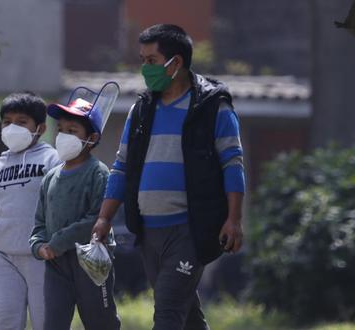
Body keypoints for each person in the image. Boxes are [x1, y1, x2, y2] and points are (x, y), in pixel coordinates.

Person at [92, 24, 246, 330]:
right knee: (186, 313)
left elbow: (233, 163)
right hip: (149, 231)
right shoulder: (142, 110)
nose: (145, 68)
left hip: (191, 229)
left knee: (167, 310)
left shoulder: (213, 108)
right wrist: (104, 217)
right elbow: (121, 166)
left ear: (175, 63)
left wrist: (234, 219)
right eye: (142, 59)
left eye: (151, 60)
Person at [0, 92, 61, 330]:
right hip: (3, 258)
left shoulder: (54, 161)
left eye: (21, 122)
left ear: (39, 128)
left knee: (48, 324)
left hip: (43, 258)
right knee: (5, 323)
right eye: (7, 122)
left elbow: (62, 210)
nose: (12, 127)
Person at [29, 97, 121, 330]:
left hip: (91, 262)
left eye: (72, 130)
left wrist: (58, 242)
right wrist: (38, 246)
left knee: (100, 321)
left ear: (92, 138)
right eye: (60, 130)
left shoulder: (98, 173)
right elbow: (39, 222)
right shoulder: (50, 177)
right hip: (56, 264)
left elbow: (96, 219)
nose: (63, 136)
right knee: (54, 323)